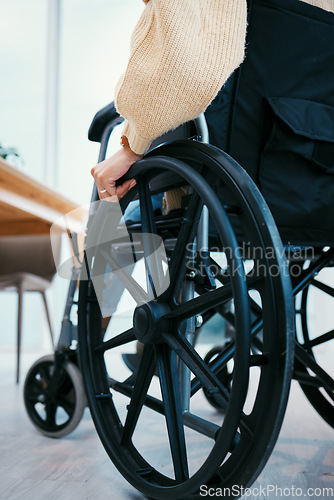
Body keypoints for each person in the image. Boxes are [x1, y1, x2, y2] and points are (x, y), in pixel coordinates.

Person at [91, 0, 334, 200]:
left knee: (112, 219)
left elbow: (190, 69)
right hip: (315, 188)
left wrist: (132, 145)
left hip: (231, 185)